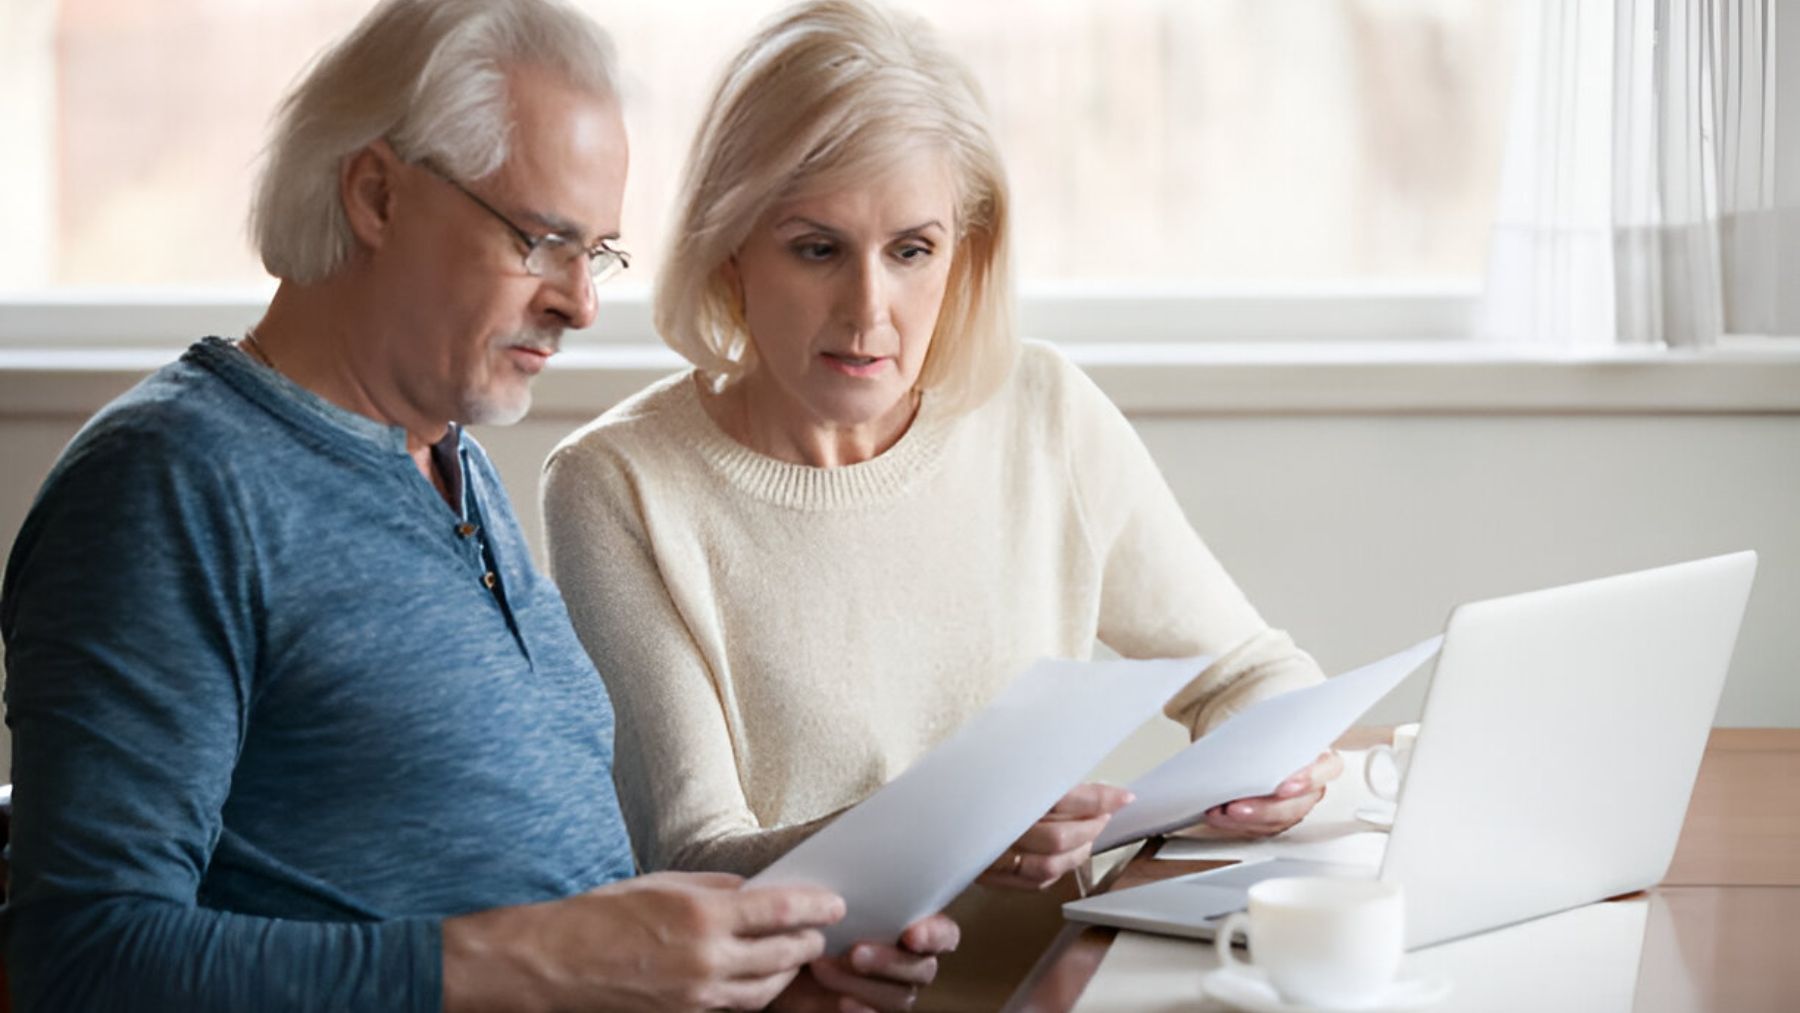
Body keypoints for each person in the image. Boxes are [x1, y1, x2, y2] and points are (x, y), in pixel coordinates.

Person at [0, 1, 954, 1009]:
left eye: (598, 254)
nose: (580, 302)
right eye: (543, 241)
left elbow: (532, 897)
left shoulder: (451, 462)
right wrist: (544, 960)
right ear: (377, 195)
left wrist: (740, 976)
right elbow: (86, 959)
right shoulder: (168, 486)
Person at [541, 0, 1341, 1006]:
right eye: (816, 247)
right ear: (731, 245)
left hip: (1055, 989)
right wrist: (961, 823)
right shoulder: (617, 482)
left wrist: (1275, 763)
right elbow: (697, 857)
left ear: (963, 249)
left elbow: (1259, 671)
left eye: (911, 250)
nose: (869, 312)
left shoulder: (1044, 412)